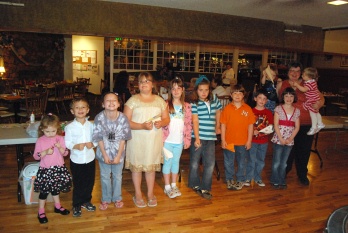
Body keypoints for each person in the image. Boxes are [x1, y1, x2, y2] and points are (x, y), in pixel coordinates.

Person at [123, 72, 170, 208]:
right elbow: (126, 121)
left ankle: (150, 193)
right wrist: (141, 126)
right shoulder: (132, 100)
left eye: (147, 81)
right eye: (141, 81)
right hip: (137, 139)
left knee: (150, 168)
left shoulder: (159, 100)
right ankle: (137, 194)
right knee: (137, 168)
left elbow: (166, 118)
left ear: (152, 84)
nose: (144, 84)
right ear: (138, 85)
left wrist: (161, 123)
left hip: (153, 140)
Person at [277, 62, 324, 186]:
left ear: (302, 73)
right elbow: (277, 100)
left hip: (305, 123)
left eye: (298, 71)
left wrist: (319, 104)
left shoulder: (308, 83)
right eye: (292, 70)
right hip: (288, 124)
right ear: (288, 72)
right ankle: (283, 172)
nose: (294, 73)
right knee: (287, 151)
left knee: (303, 151)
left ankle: (302, 174)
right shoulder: (282, 84)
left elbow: (321, 97)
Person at [92, 92, 131, 210]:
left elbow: (124, 138)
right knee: (104, 176)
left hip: (119, 154)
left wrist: (119, 155)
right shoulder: (99, 118)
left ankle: (117, 197)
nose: (111, 103)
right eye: (107, 101)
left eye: (114, 100)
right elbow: (98, 138)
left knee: (117, 176)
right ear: (103, 104)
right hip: (103, 153)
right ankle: (106, 198)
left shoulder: (123, 118)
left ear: (119, 104)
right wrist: (104, 155)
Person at [33, 114, 72, 224]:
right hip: (46, 170)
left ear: (57, 129)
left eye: (53, 131)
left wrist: (60, 147)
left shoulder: (60, 138)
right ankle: (41, 211)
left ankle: (57, 206)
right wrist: (45, 152)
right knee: (44, 192)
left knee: (56, 189)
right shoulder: (40, 140)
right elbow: (36, 156)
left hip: (58, 168)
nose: (50, 134)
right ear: (42, 129)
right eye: (47, 131)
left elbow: (65, 153)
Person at [189, 75, 222, 200]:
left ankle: (205, 187)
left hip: (211, 137)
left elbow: (219, 111)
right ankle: (194, 183)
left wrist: (217, 125)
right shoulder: (194, 103)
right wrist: (197, 138)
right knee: (194, 163)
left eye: (206, 90)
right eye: (201, 90)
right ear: (196, 90)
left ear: (210, 90)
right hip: (198, 136)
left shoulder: (214, 100)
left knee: (210, 163)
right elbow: (195, 121)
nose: (204, 93)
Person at [64, 98, 97, 217]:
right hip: (76, 160)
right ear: (72, 111)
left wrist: (93, 144)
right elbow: (67, 142)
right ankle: (77, 204)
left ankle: (86, 200)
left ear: (88, 110)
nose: (80, 110)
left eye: (83, 107)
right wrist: (75, 146)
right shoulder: (70, 127)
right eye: (77, 107)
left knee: (89, 181)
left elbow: (96, 139)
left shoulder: (92, 125)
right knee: (78, 183)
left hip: (90, 158)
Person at [162, 75, 192, 198]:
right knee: (167, 163)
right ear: (170, 90)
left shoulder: (187, 106)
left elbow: (189, 124)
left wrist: (187, 140)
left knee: (176, 163)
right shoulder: (165, 104)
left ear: (182, 90)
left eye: (178, 88)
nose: (176, 91)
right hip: (167, 141)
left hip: (179, 141)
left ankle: (174, 184)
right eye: (173, 88)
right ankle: (167, 186)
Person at [220, 84, 255, 191]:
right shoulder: (227, 109)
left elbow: (250, 126)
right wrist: (223, 140)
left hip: (243, 142)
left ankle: (240, 179)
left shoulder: (248, 109)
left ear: (243, 95)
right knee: (228, 161)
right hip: (229, 141)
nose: (237, 95)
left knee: (242, 162)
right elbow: (223, 125)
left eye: (240, 93)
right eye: (235, 93)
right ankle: (229, 178)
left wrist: (249, 141)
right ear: (231, 95)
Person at [270, 87, 300, 189]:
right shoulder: (278, 109)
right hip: (279, 139)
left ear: (294, 97)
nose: (288, 98)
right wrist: (281, 139)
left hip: (289, 141)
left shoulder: (296, 111)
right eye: (286, 96)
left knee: (284, 163)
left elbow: (297, 127)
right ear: (283, 97)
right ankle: (274, 179)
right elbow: (276, 124)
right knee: (276, 162)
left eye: (291, 96)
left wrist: (290, 139)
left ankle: (281, 180)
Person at [245, 89, 274, 187]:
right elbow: (246, 126)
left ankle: (257, 177)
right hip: (252, 141)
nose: (262, 100)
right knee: (251, 160)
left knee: (261, 160)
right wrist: (252, 131)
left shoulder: (268, 113)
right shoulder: (250, 111)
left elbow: (271, 127)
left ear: (266, 101)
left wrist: (265, 130)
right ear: (255, 99)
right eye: (260, 98)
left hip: (264, 141)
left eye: (264, 99)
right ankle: (248, 178)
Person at [291, 67, 325, 135]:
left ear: (309, 77)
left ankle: (314, 127)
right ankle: (320, 123)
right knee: (316, 112)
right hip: (313, 98)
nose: (302, 76)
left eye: (304, 75)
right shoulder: (312, 82)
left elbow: (304, 90)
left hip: (312, 100)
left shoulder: (309, 83)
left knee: (312, 113)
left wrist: (297, 85)